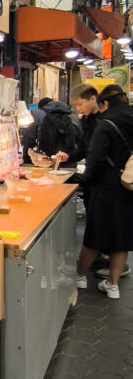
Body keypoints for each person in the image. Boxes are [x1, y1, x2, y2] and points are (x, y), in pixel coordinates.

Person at [76, 84, 133, 299]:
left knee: (94, 235)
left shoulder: (105, 122)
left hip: (105, 188)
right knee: (122, 237)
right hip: (129, 187)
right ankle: (113, 285)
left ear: (105, 103)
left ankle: (80, 277)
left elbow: (95, 158)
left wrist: (84, 180)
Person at [36, 96, 83, 163]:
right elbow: (80, 138)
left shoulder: (41, 116)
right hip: (68, 159)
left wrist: (27, 160)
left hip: (47, 161)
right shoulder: (73, 117)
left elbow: (30, 138)